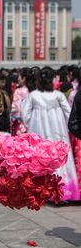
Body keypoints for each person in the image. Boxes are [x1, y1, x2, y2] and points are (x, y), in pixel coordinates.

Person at [23, 71, 80, 202]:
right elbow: (68, 113)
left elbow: (24, 115)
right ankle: (64, 190)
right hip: (58, 131)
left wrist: (31, 125)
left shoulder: (33, 96)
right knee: (60, 159)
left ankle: (43, 191)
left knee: (41, 160)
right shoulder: (59, 95)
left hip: (40, 131)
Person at [10, 68, 29, 136]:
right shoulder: (34, 91)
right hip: (32, 123)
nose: (18, 78)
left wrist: (11, 121)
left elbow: (15, 109)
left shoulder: (19, 91)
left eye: (19, 76)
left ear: (24, 78)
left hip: (21, 123)